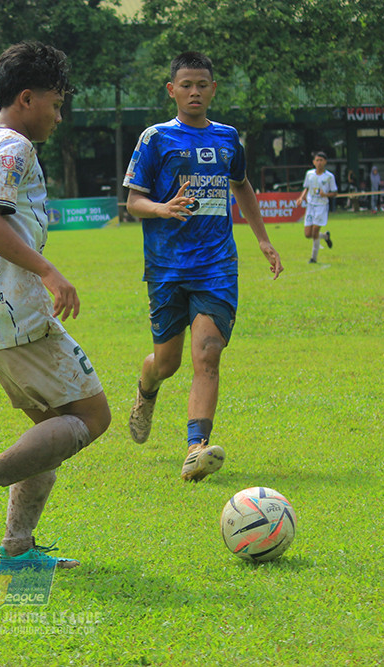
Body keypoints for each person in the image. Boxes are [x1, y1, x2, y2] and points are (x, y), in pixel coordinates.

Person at [0, 41, 110, 569]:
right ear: (26, 98)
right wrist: (49, 271)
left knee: (51, 430)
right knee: (92, 416)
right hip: (16, 312)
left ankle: (16, 549)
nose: (59, 117)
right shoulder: (15, 147)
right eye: (55, 104)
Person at [122, 51, 283, 482]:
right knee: (167, 363)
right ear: (172, 90)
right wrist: (162, 207)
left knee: (208, 352)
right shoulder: (155, 138)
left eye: (202, 84)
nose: (194, 92)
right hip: (167, 267)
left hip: (216, 265)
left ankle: (196, 448)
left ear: (213, 89)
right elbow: (133, 201)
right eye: (186, 85)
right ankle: (147, 388)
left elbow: (242, 185)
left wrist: (263, 239)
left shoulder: (228, 138)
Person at [294, 151, 337, 264]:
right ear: (313, 162)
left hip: (321, 206)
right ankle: (325, 237)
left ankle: (313, 258)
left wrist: (325, 194)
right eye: (317, 160)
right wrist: (301, 198)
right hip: (310, 206)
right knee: (308, 234)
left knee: (315, 230)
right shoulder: (309, 174)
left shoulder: (329, 177)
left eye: (321, 160)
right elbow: (306, 188)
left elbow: (334, 192)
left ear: (325, 162)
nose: (319, 163)